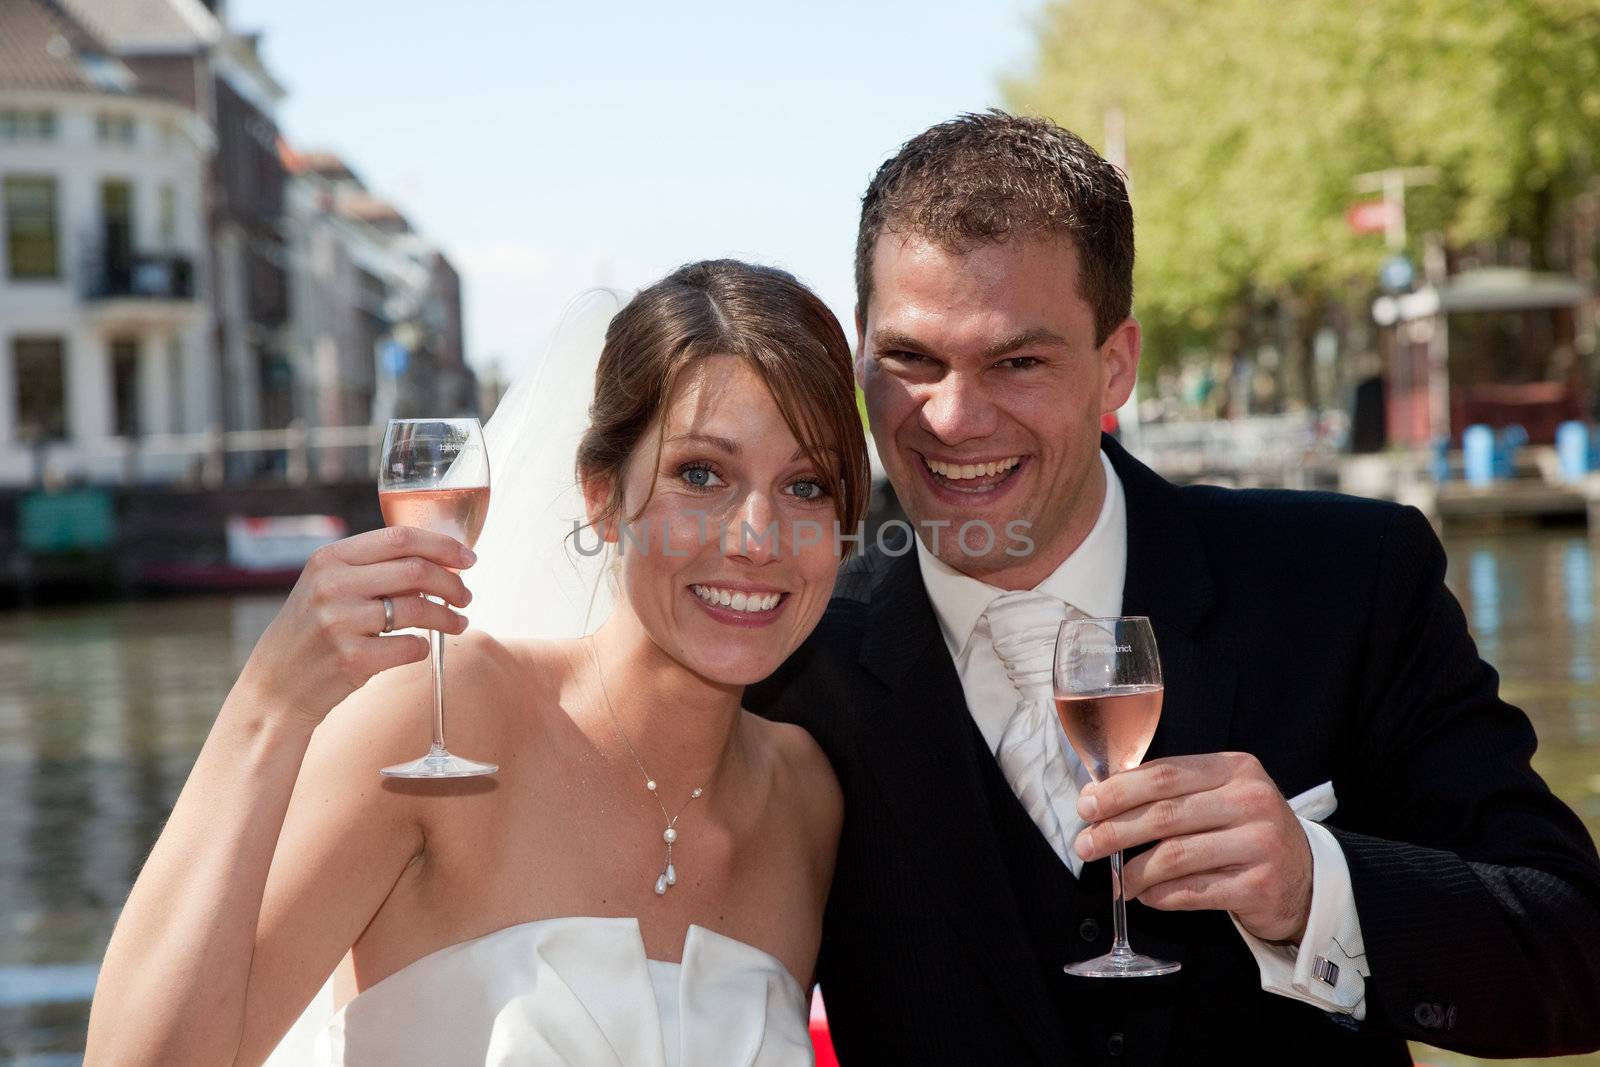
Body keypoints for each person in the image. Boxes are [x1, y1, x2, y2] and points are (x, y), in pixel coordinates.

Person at [746, 111, 1600, 1064]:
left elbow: (1574, 952)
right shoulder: (786, 653)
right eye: (910, 360)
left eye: (1017, 361)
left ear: (1116, 364)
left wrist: (1313, 889)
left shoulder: (1348, 581)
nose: (953, 417)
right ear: (859, 348)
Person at [86, 259, 871, 1066]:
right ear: (599, 493)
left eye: (807, 486)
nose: (756, 536)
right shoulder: (444, 718)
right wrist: (270, 704)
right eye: (700, 474)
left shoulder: (806, 803)